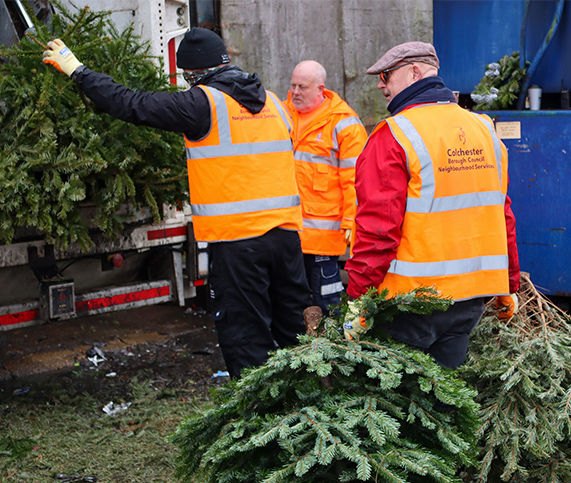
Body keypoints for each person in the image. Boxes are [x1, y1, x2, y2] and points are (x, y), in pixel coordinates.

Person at [41, 28, 313, 378]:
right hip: (286, 239)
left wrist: (78, 71)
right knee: (296, 331)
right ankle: (313, 413)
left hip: (237, 244)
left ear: (192, 73)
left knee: (246, 339)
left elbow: (131, 103)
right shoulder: (275, 102)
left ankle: (264, 423)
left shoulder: (202, 103)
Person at [343, 41, 520, 369]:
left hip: (410, 305)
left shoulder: (393, 135)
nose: (380, 84)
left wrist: (358, 298)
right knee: (442, 403)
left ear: (414, 72)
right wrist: (509, 285)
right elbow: (502, 213)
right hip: (469, 302)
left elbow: (378, 229)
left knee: (396, 409)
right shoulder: (483, 129)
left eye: (385, 75)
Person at [284, 60, 367, 315]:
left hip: (322, 238)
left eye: (302, 87)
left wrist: (352, 222)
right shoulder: (283, 114)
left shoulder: (344, 125)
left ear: (321, 89)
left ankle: (334, 352)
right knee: (293, 303)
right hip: (288, 233)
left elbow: (356, 180)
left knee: (328, 303)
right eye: (293, 85)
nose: (295, 92)